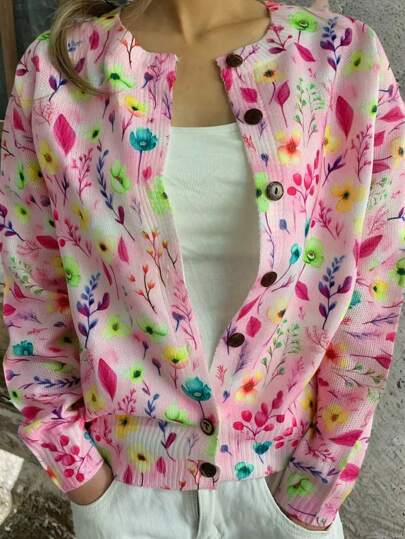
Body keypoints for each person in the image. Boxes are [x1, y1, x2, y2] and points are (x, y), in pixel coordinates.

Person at [1, 0, 404, 537]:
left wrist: (313, 491)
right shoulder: (57, 72)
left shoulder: (341, 58)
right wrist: (82, 475)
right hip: (124, 497)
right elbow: (34, 289)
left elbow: (370, 302)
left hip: (282, 492)